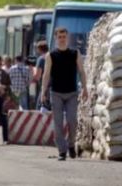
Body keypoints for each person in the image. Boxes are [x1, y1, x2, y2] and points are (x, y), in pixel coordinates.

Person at [41, 27, 88, 161]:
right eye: (59, 37)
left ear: (67, 38)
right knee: (58, 123)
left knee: (73, 121)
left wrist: (85, 88)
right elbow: (46, 74)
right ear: (56, 38)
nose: (62, 39)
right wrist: (43, 92)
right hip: (56, 93)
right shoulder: (50, 55)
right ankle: (62, 151)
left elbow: (82, 72)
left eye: (64, 37)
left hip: (72, 93)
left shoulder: (75, 53)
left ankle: (71, 145)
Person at [33, 41, 49, 110]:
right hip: (55, 89)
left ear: (39, 49)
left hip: (44, 88)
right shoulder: (53, 57)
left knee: (39, 109)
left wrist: (33, 72)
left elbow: (37, 76)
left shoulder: (41, 59)